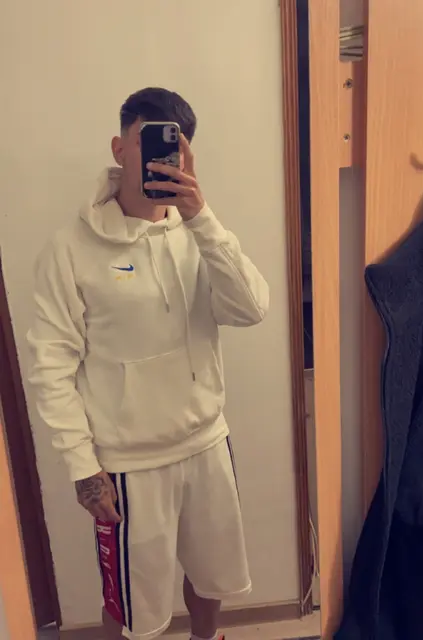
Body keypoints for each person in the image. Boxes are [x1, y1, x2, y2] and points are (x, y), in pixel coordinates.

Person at [27, 87, 269, 640]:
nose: (162, 155)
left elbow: (252, 309)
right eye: (147, 141)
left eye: (174, 145)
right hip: (128, 463)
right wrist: (83, 467)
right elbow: (51, 365)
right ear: (119, 148)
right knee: (133, 605)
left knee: (212, 578)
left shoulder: (200, 233)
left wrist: (201, 217)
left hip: (206, 443)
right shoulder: (69, 248)